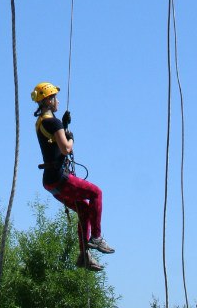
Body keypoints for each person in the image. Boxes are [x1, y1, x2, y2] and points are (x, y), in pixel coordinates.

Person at [31, 81, 115, 271]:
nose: (58, 101)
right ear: (49, 100)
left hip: (50, 181)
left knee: (84, 210)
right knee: (96, 193)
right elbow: (66, 148)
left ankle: (84, 255)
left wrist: (64, 128)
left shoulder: (41, 122)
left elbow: (53, 145)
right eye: (55, 98)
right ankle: (96, 237)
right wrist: (71, 138)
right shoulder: (53, 122)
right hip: (59, 177)